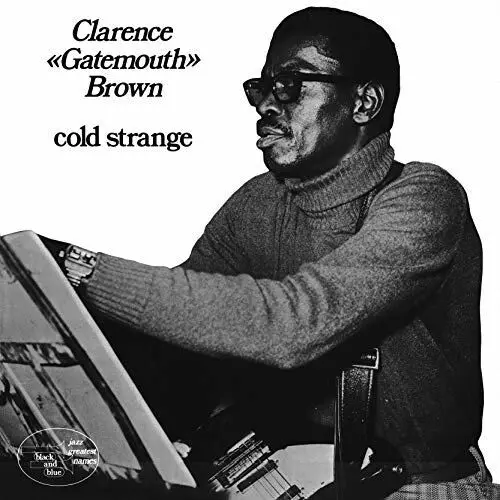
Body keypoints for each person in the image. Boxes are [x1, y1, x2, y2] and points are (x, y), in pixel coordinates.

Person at [42, 7, 499, 500]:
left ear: (364, 102)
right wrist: (41, 310)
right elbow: (181, 327)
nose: (265, 105)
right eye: (262, 88)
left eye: (290, 85)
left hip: (418, 487)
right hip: (291, 478)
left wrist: (76, 268)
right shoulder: (257, 201)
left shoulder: (426, 196)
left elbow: (294, 324)